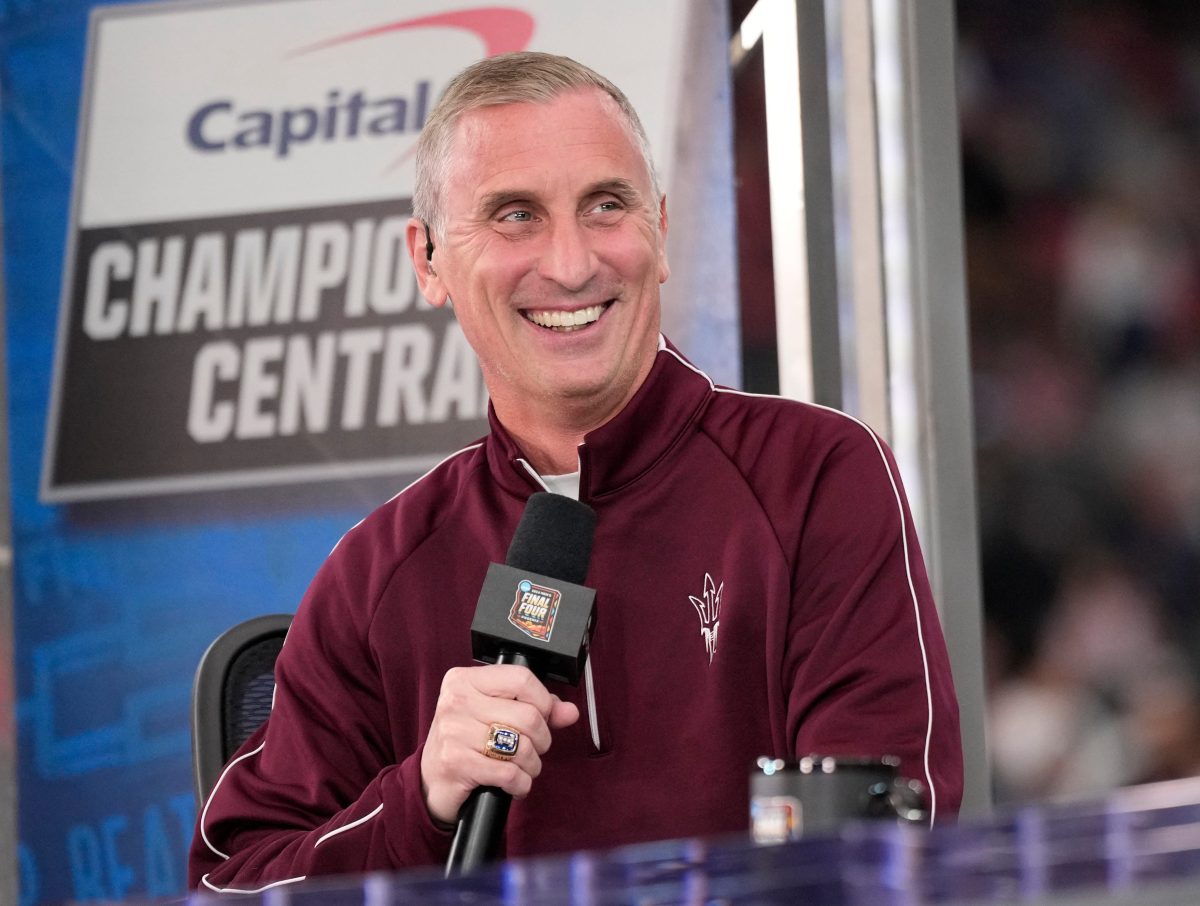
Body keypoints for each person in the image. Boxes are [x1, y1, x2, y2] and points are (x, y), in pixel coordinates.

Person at [189, 51, 963, 893]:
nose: (569, 263)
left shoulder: (816, 476)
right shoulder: (377, 572)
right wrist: (419, 800)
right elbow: (233, 883)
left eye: (606, 205)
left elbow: (884, 848)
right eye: (514, 215)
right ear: (429, 261)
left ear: (660, 231)